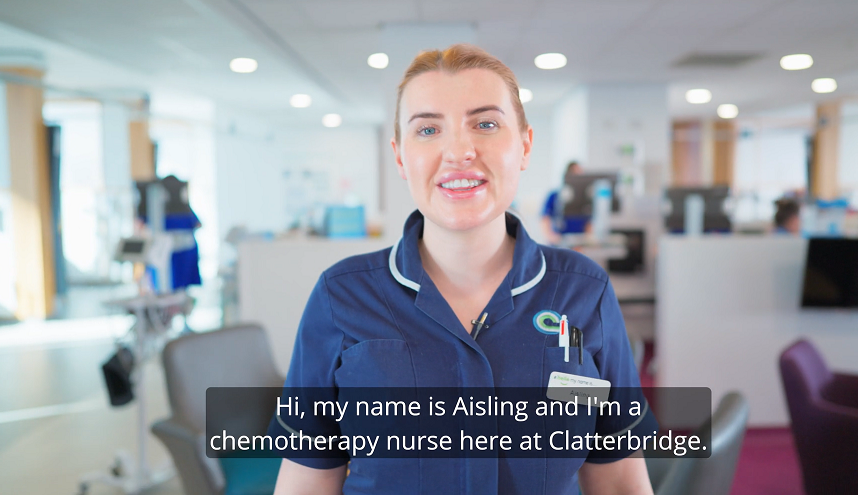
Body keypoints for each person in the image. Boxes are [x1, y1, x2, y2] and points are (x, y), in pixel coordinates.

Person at [273, 44, 654, 495]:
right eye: (429, 129)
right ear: (400, 157)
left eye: (486, 124)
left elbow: (616, 475)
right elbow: (307, 477)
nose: (458, 150)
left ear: (525, 145)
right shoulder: (342, 296)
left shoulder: (582, 293)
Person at [541, 161, 591, 245]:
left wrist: (587, 240)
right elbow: (545, 218)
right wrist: (551, 236)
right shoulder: (555, 195)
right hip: (559, 242)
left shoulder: (586, 199)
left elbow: (589, 223)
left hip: (579, 243)